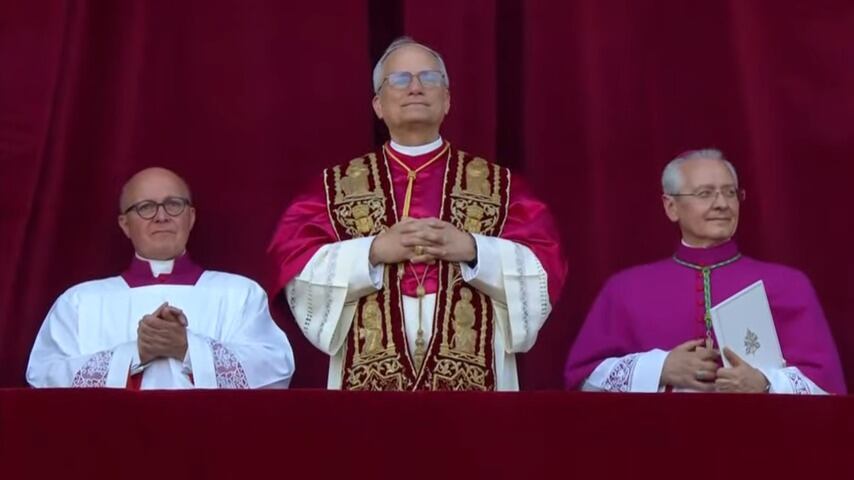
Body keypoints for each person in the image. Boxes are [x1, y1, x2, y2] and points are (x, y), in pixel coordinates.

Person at [268, 37, 566, 391]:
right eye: (399, 79)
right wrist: (372, 252)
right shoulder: (333, 188)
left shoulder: (500, 186)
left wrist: (474, 249)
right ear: (378, 105)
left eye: (429, 78)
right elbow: (295, 269)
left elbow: (544, 267)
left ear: (447, 100)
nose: (415, 87)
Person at [564, 149, 846, 394]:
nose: (722, 204)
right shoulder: (625, 289)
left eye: (730, 192)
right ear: (671, 207)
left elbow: (827, 385)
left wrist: (765, 383)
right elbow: (582, 379)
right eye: (705, 193)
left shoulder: (788, 285)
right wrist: (660, 368)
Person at [27, 167, 294, 389]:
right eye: (145, 207)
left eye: (173, 204)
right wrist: (134, 354)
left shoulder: (240, 294)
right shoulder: (80, 301)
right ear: (125, 224)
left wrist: (189, 349)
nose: (162, 216)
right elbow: (43, 377)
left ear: (191, 217)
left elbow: (276, 369)